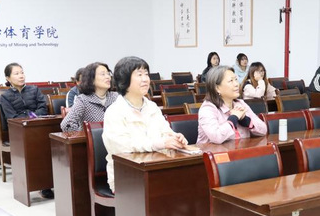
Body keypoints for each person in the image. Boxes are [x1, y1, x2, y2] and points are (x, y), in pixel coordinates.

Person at [103, 56, 187, 192]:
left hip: (157, 167)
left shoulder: (152, 106)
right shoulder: (114, 112)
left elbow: (165, 132)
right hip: (126, 175)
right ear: (124, 80)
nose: (145, 79)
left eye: (146, 74)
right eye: (139, 74)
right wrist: (156, 144)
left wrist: (175, 137)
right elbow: (122, 147)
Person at [0, 62, 53, 198]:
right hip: (19, 132)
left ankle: (46, 183)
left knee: (48, 145)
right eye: (16, 73)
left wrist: (33, 117)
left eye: (22, 72)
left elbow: (43, 108)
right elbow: (11, 117)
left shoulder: (34, 90)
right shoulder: (5, 97)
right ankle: (36, 184)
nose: (21, 76)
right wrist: (29, 117)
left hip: (38, 128)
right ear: (8, 78)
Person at [198, 65, 267, 144]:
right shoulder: (208, 108)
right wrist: (233, 118)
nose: (236, 84)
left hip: (242, 150)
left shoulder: (240, 104)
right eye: (231, 81)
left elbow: (264, 130)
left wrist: (246, 121)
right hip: (214, 151)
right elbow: (217, 137)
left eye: (236, 80)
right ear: (217, 88)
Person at [61, 62, 118, 132]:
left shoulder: (116, 97)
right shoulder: (83, 100)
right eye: (103, 74)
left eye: (108, 74)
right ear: (91, 79)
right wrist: (87, 134)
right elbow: (66, 125)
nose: (108, 77)